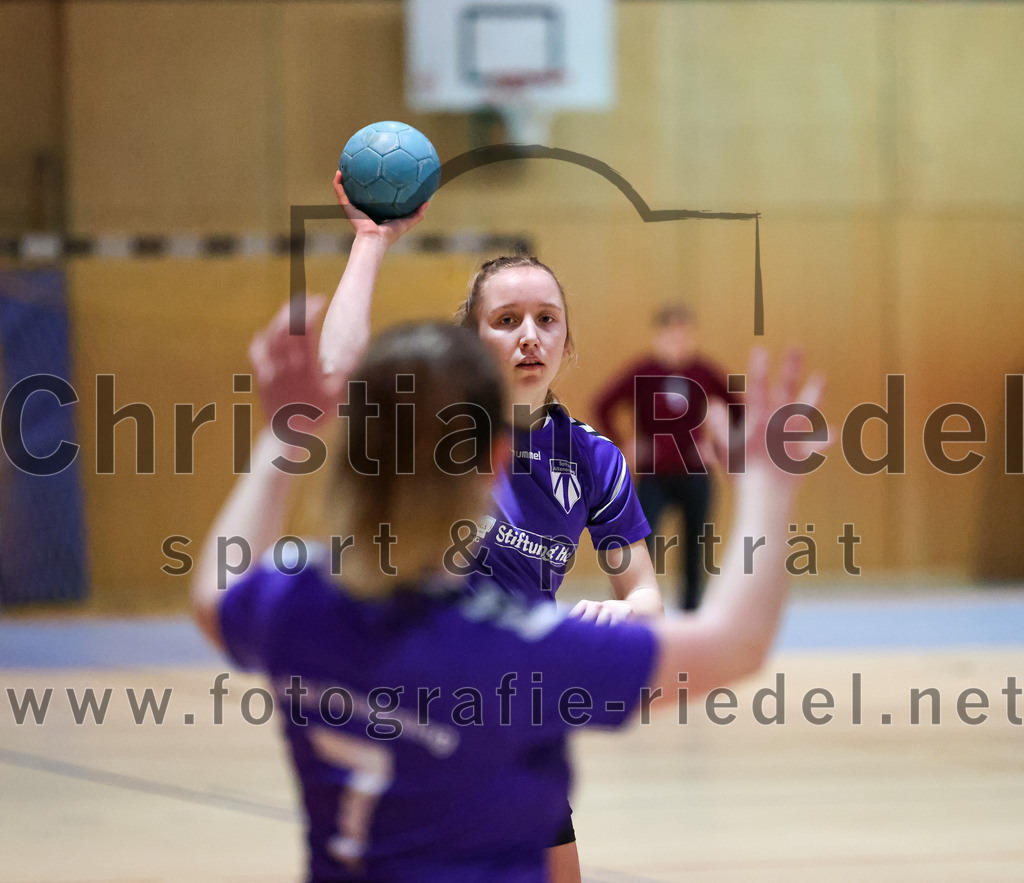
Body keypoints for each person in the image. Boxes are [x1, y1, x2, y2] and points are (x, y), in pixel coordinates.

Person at [190, 296, 827, 881]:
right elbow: (736, 643)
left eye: (547, 318)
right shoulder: (521, 654)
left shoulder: (295, 606)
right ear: (496, 463)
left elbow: (214, 594)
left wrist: (282, 432)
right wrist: (769, 492)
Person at [319, 177, 664, 881]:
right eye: (506, 320)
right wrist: (368, 242)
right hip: (412, 706)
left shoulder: (594, 458)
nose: (530, 335)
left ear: (568, 339)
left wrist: (623, 610)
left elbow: (648, 595)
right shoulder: (436, 426)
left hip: (517, 716)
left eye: (547, 318)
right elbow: (336, 373)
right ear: (472, 340)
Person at [594, 304, 738, 611]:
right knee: (640, 546)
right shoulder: (643, 372)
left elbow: (738, 409)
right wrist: (625, 445)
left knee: (695, 549)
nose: (677, 341)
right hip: (654, 475)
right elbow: (602, 404)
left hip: (695, 474)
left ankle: (691, 615)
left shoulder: (703, 372)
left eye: (683, 334)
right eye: (670, 335)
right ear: (658, 337)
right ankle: (627, 609)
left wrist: (721, 450)